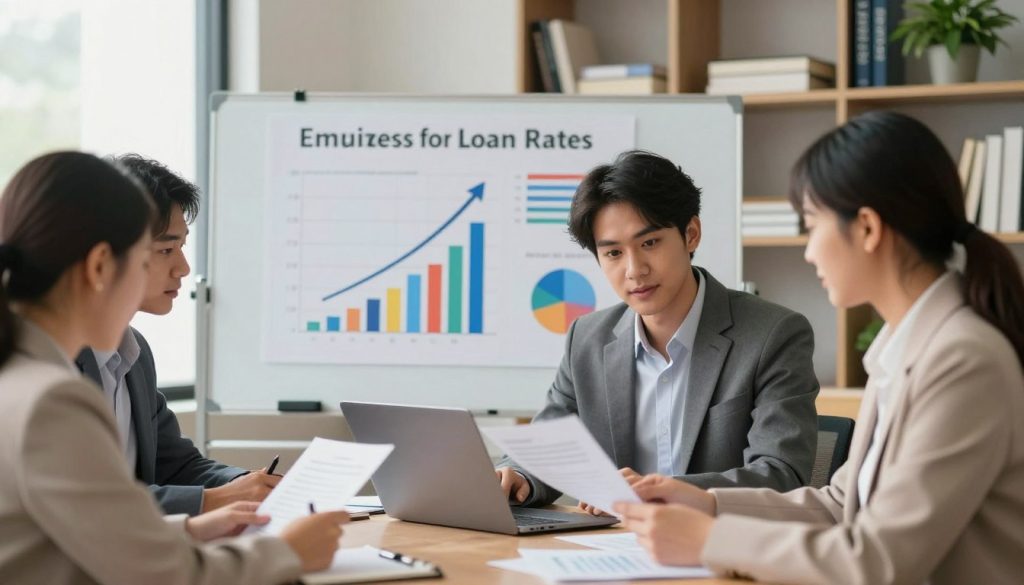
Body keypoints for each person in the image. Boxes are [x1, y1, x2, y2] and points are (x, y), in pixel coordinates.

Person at [614, 112, 1024, 585]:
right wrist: (707, 504)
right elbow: (839, 505)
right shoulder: (903, 348)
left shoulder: (963, 360)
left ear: (867, 228)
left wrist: (709, 540)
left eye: (812, 226)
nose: (808, 252)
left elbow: (876, 561)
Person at [0, 152, 348, 584]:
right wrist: (287, 553)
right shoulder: (50, 400)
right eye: (148, 259)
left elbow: (63, 539)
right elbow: (162, 577)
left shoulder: (22, 375)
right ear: (100, 266)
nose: (181, 269)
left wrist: (189, 528)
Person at [497, 150, 820, 509]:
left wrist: (657, 492)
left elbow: (780, 474)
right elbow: (548, 449)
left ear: (691, 234)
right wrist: (518, 475)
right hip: (610, 539)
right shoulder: (587, 339)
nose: (634, 270)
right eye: (614, 253)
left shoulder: (773, 335)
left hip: (716, 539)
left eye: (649, 243)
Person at [75, 153, 275, 516]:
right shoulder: (53, 360)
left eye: (181, 247)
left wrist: (252, 483)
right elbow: (87, 500)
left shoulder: (134, 353)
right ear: (105, 254)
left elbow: (177, 465)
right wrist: (215, 500)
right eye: (166, 249)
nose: (183, 268)